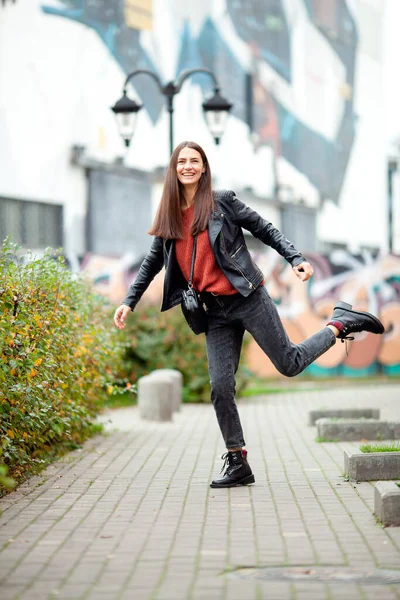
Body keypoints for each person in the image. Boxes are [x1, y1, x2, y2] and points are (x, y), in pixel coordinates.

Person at [114, 141, 385, 489]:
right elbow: (153, 263)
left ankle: (339, 323)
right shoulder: (168, 215)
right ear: (173, 169)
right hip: (213, 312)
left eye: (194, 160)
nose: (187, 166)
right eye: (181, 161)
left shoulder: (221, 202)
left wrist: (295, 258)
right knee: (220, 386)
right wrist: (128, 300)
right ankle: (237, 461)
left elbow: (264, 228)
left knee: (289, 363)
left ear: (204, 167)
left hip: (247, 297)